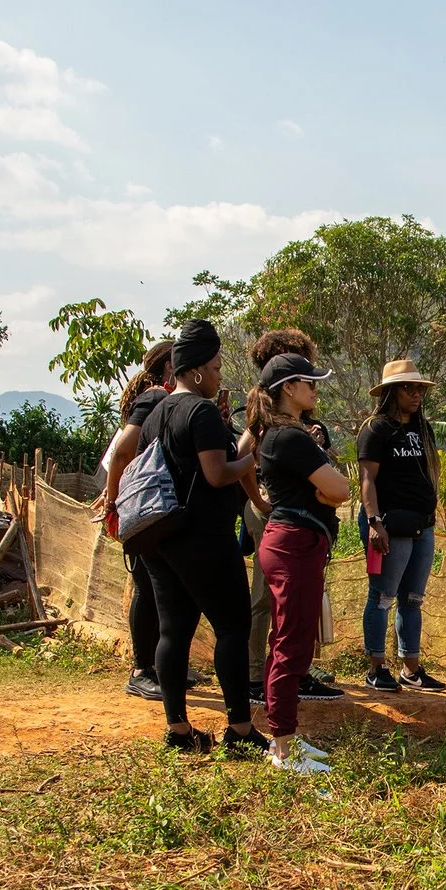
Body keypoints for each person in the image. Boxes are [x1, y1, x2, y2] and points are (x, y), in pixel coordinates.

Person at [140, 319, 263, 754]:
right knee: (232, 625)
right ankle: (241, 732)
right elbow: (216, 475)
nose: (217, 376)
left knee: (173, 630)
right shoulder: (200, 411)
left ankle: (178, 731)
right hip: (204, 538)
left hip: (161, 537)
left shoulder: (156, 413)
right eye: (214, 368)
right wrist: (248, 461)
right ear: (194, 371)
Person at [249, 354, 349, 772]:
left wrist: (323, 489)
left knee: (291, 641)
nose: (315, 388)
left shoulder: (282, 435)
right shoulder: (290, 438)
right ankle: (283, 749)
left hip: (294, 542)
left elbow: (331, 489)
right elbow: (341, 489)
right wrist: (324, 490)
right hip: (294, 546)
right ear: (288, 387)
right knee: (290, 644)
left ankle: (285, 736)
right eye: (309, 381)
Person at [239, 329, 343, 703]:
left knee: (294, 618)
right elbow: (241, 459)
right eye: (305, 374)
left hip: (298, 524)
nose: (314, 382)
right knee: (269, 606)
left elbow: (332, 486)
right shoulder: (274, 427)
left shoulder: (296, 425)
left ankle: (287, 681)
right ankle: (257, 679)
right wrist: (260, 499)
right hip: (280, 523)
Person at [355, 359, 446, 693]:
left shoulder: (423, 429)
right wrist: (375, 522)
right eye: (409, 388)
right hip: (390, 526)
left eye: (420, 388)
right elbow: (368, 479)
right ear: (391, 392)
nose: (416, 394)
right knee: (382, 597)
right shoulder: (376, 428)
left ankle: (412, 670)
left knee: (413, 598)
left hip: (422, 526)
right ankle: (376, 667)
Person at [94, 340, 177, 701]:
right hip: (143, 507)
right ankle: (141, 669)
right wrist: (114, 500)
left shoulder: (161, 398)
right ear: (170, 369)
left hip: (155, 506)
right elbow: (123, 450)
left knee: (162, 588)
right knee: (146, 585)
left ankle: (161, 665)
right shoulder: (155, 397)